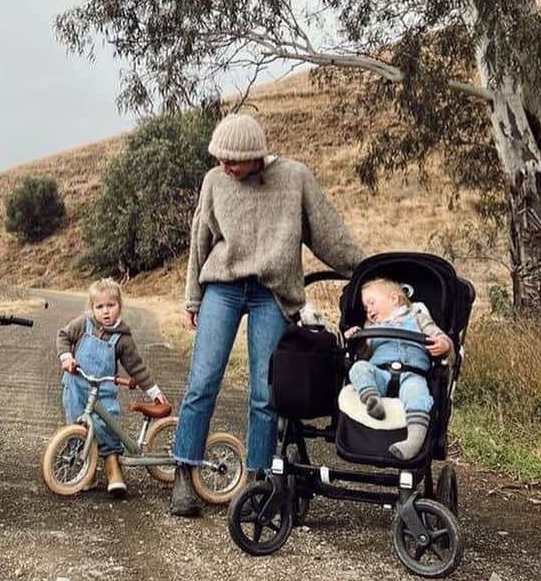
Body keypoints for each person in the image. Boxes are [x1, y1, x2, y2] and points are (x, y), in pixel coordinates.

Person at [172, 112, 364, 517]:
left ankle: (259, 483)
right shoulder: (214, 181)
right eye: (219, 158)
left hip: (271, 294)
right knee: (203, 381)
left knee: (265, 391)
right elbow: (200, 239)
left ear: (256, 155)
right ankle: (184, 473)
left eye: (233, 160)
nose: (225, 167)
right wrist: (194, 299)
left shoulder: (294, 178)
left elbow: (328, 233)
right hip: (222, 288)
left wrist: (367, 271)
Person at [57, 278, 166, 499]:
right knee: (77, 425)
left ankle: (113, 466)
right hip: (77, 385)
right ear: (92, 308)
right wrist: (67, 358)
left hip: (104, 390)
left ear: (120, 306)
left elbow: (137, 367)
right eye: (100, 307)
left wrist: (154, 392)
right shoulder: (83, 324)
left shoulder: (122, 338)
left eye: (111, 305)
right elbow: (63, 336)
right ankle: (84, 471)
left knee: (108, 427)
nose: (106, 312)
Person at [346, 276, 453, 461]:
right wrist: (358, 338)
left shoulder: (419, 318)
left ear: (394, 299)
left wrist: (444, 345)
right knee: (359, 368)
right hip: (380, 372)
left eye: (372, 303)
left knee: (417, 394)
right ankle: (372, 399)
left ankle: (413, 441)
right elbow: (363, 354)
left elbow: (439, 336)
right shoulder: (371, 327)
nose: (369, 310)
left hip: (412, 373)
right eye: (365, 308)